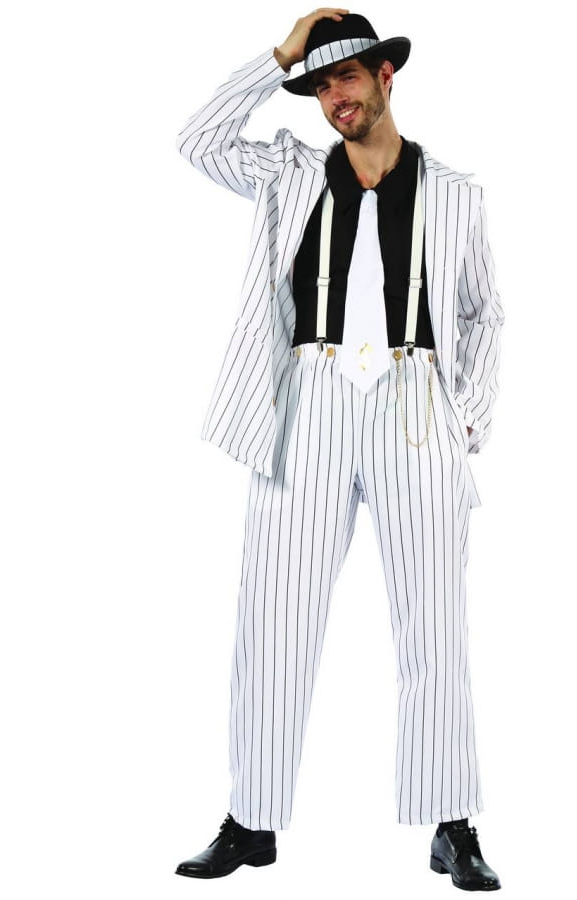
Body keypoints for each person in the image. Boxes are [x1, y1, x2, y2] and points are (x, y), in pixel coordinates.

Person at [172, 9, 504, 891]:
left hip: (415, 406)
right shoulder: (287, 174)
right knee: (273, 615)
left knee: (435, 621)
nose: (333, 99)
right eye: (319, 86)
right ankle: (252, 820)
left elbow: (484, 315)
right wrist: (277, 55)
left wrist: (467, 418)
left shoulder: (457, 195)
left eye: (345, 78)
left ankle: (452, 823)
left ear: (385, 76)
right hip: (307, 401)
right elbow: (198, 141)